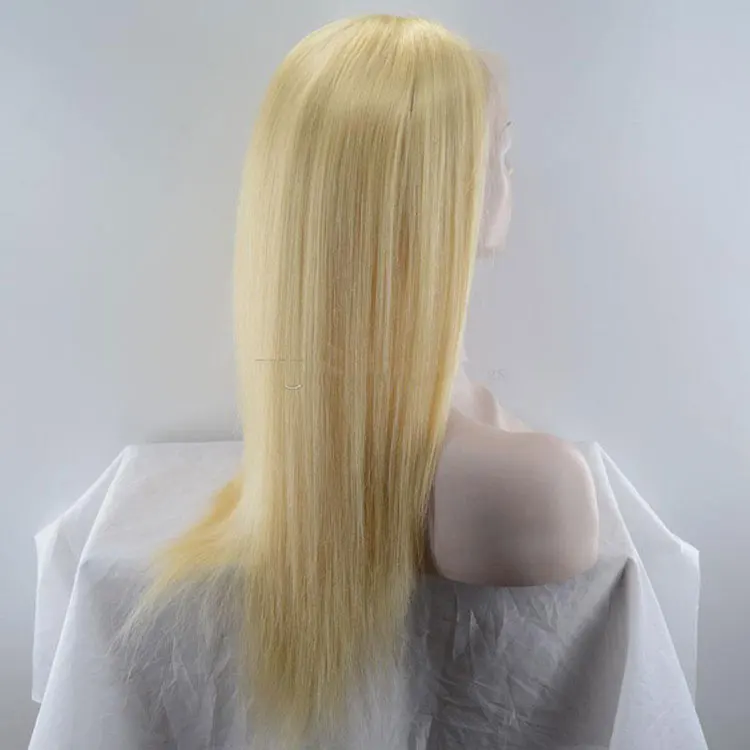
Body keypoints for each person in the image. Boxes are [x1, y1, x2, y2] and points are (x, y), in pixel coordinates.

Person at [133, 13, 599, 747]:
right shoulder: (536, 487)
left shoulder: (309, 447)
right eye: (500, 154)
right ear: (439, 195)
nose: (511, 179)